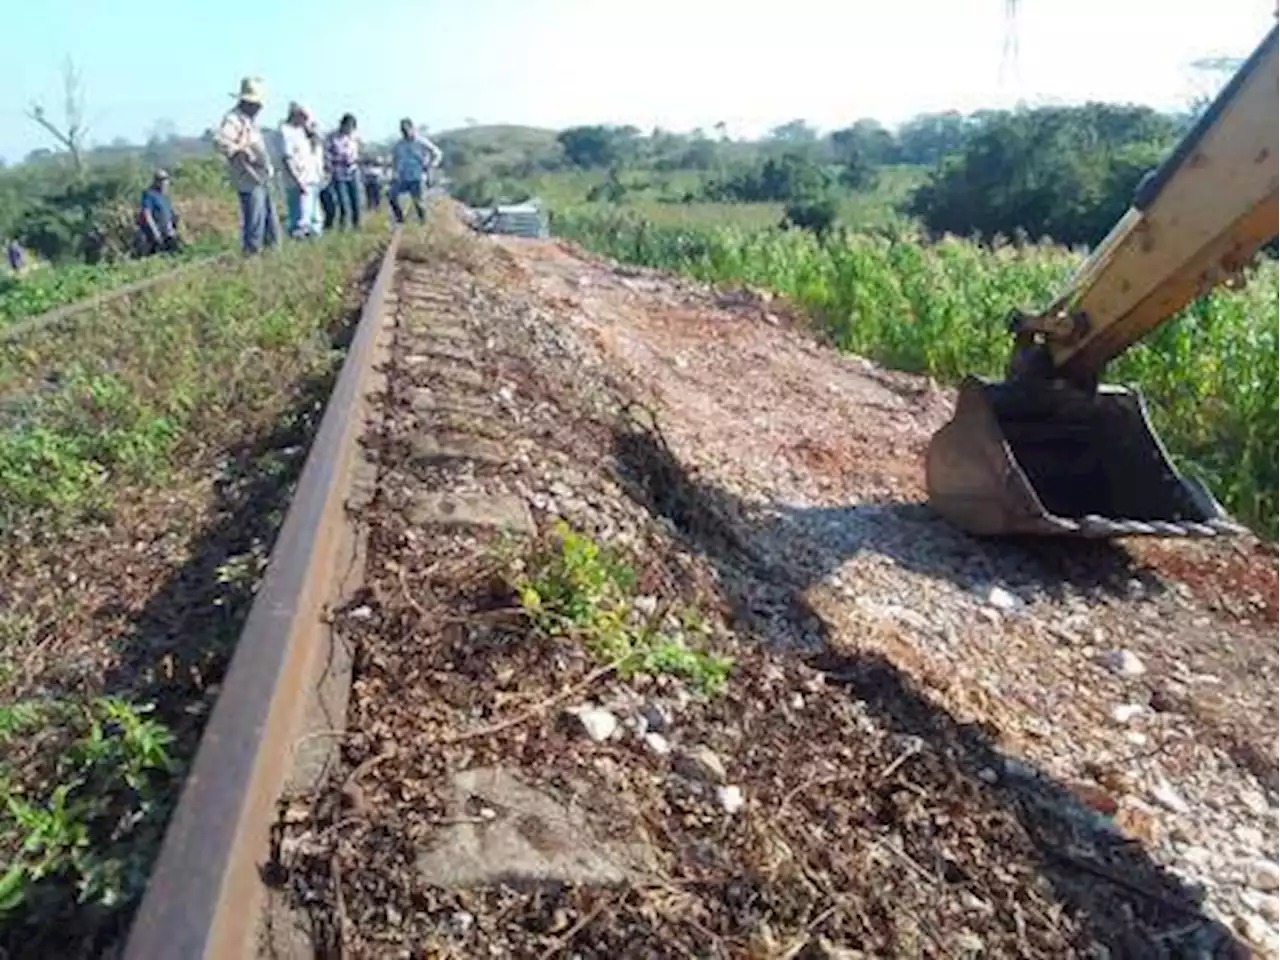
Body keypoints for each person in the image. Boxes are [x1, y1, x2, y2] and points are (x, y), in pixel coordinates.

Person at [213, 76, 279, 255]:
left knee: (269, 221)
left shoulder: (249, 121)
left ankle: (270, 255)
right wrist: (239, 150)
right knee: (255, 222)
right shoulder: (233, 119)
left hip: (261, 177)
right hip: (248, 179)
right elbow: (220, 141)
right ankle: (251, 256)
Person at [280, 103, 324, 238]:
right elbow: (287, 159)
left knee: (313, 216)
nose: (307, 121)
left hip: (311, 178)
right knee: (301, 218)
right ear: (296, 115)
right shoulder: (286, 132)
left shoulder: (302, 132)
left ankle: (313, 240)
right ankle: (299, 241)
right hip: (298, 181)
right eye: (304, 118)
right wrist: (297, 181)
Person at [389, 118, 443, 225]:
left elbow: (437, 153)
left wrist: (431, 166)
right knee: (391, 195)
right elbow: (394, 160)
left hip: (417, 177)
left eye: (406, 130)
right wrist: (394, 174)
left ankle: (423, 223)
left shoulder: (421, 142)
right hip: (403, 177)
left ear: (412, 128)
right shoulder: (399, 145)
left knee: (418, 202)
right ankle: (399, 219)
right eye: (402, 131)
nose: (405, 133)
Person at [324, 114, 362, 229]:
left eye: (352, 127)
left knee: (356, 200)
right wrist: (339, 160)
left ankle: (357, 225)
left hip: (353, 171)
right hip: (338, 173)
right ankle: (343, 226)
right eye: (348, 126)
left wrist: (354, 159)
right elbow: (327, 156)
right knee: (343, 202)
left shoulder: (353, 138)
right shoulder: (332, 137)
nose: (349, 129)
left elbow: (356, 154)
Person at [137, 169, 181, 256]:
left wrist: (172, 227)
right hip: (155, 233)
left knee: (176, 252)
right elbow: (147, 214)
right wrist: (155, 232)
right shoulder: (149, 194)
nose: (166, 182)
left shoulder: (165, 196)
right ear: (156, 181)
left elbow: (168, 214)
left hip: (167, 232)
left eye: (166, 179)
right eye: (163, 179)